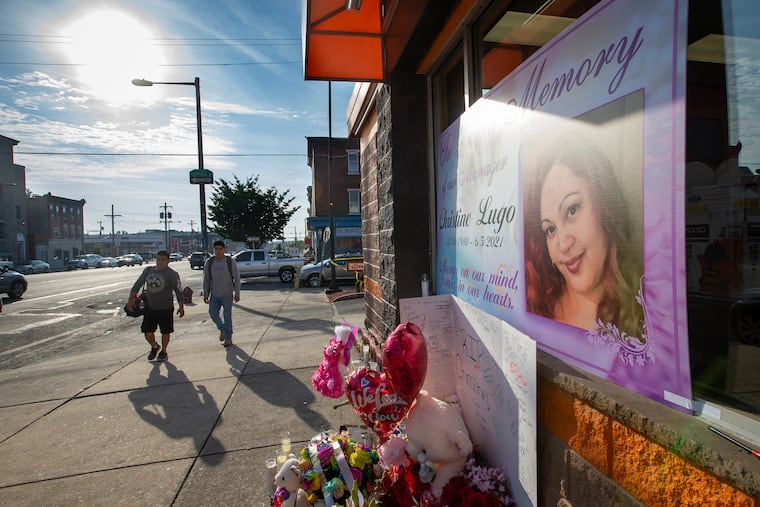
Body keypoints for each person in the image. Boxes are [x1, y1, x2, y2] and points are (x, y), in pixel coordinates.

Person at [523, 134, 644, 337]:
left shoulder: (645, 313)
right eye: (550, 229)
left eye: (572, 210)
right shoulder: (538, 307)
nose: (562, 245)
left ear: (605, 202)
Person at [127, 250, 185, 361]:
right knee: (147, 331)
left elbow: (178, 291)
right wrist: (130, 300)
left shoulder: (172, 274)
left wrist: (181, 306)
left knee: (165, 331)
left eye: (163, 260)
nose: (160, 262)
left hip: (166, 307)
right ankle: (154, 346)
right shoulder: (148, 271)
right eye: (158, 259)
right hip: (150, 307)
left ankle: (163, 351)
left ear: (168, 261)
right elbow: (137, 286)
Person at [203, 240, 241, 347]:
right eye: (216, 249)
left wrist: (237, 292)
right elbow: (206, 279)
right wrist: (205, 293)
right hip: (214, 294)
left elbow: (236, 278)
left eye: (220, 249)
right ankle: (223, 329)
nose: (218, 251)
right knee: (213, 313)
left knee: (227, 315)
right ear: (213, 250)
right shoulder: (209, 262)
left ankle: (228, 338)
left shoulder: (230, 261)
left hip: (227, 293)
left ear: (224, 250)